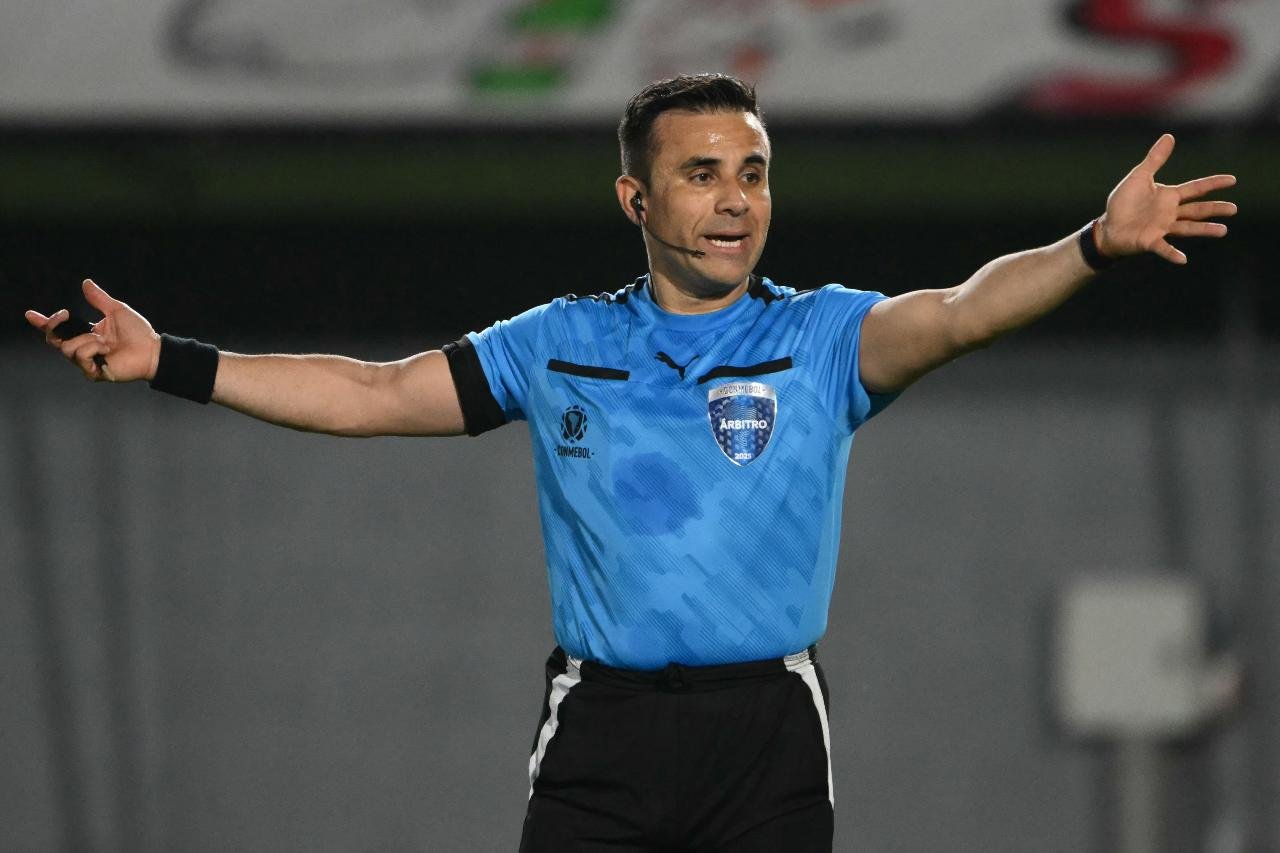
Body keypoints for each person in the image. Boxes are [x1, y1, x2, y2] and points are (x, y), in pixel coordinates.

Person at [25, 74, 1236, 852]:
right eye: (700, 173)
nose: (732, 201)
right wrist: (170, 359)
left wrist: (1092, 244)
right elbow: (372, 392)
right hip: (601, 732)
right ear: (635, 197)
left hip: (765, 732)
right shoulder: (561, 343)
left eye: (751, 172)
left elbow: (963, 307)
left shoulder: (819, 338)